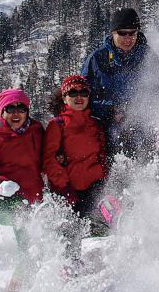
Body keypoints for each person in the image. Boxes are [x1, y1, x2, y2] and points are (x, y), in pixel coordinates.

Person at [82, 7, 159, 162]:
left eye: (133, 33)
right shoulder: (97, 59)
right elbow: (82, 98)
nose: (128, 38)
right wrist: (110, 110)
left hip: (141, 127)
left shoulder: (148, 56)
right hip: (105, 128)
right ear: (113, 32)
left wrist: (139, 110)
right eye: (122, 33)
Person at [43, 75, 110, 222]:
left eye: (83, 93)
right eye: (73, 93)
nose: (79, 97)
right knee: (74, 236)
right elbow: (49, 160)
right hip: (70, 192)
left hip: (96, 188)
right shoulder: (57, 125)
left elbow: (102, 154)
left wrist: (105, 179)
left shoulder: (95, 124)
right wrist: (64, 188)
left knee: (102, 233)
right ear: (64, 97)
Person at [0, 88, 49, 204]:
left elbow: (47, 156)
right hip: (6, 201)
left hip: (37, 198)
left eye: (21, 108)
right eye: (10, 108)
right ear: (2, 112)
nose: (16, 113)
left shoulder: (36, 129)